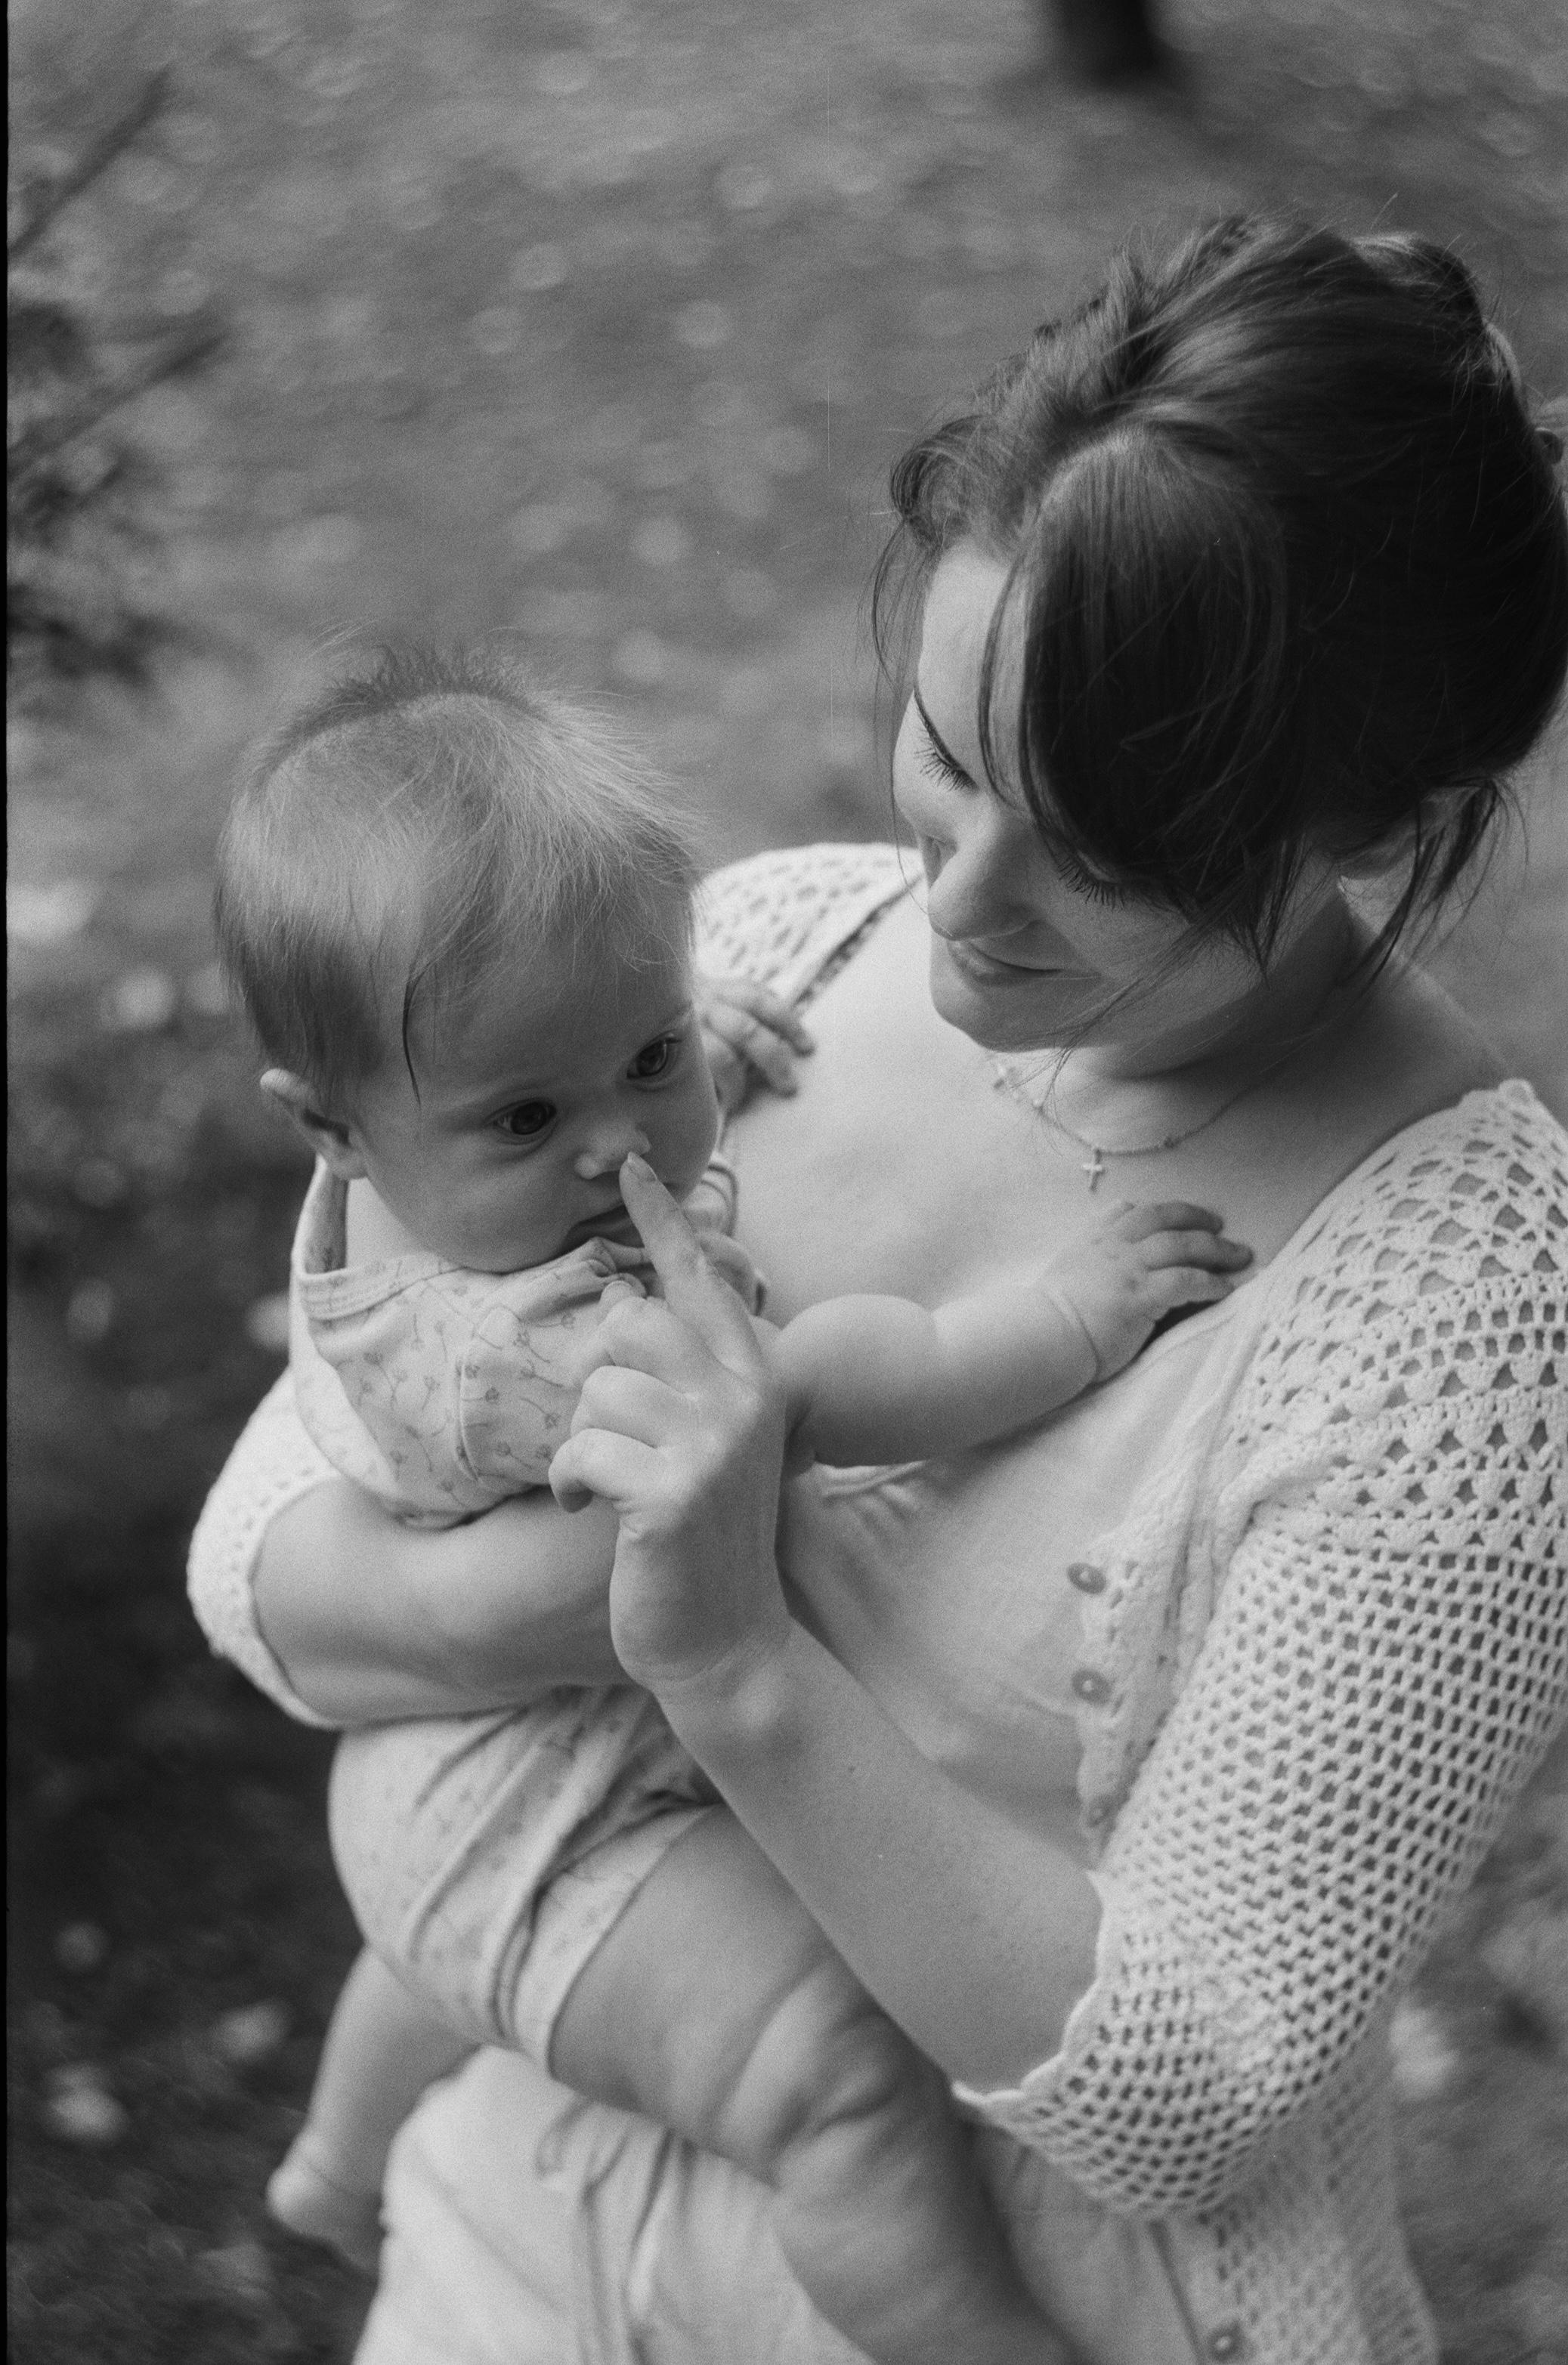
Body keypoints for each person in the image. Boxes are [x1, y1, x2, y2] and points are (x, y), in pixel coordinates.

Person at [189, 216, 1568, 2364]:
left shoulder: (1470, 1326)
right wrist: (502, 1611)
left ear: (1374, 827)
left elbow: (1194, 2095)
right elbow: (271, 1532)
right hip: (520, 2197)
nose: (961, 892)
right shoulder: (755, 959)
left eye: (1099, 843)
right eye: (942, 744)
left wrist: (736, 1660)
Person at [212, 649, 1247, 2355]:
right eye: (534, 1109)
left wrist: (642, 1054)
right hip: (548, 1838)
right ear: (331, 1120)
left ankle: (334, 2158)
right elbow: (826, 1391)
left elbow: (558, 1077)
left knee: (435, 1945)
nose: (625, 1144)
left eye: (652, 1048)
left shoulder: (382, 1198)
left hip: (442, 1784)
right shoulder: (540, 1351)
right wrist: (1069, 1316)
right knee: (836, 2080)